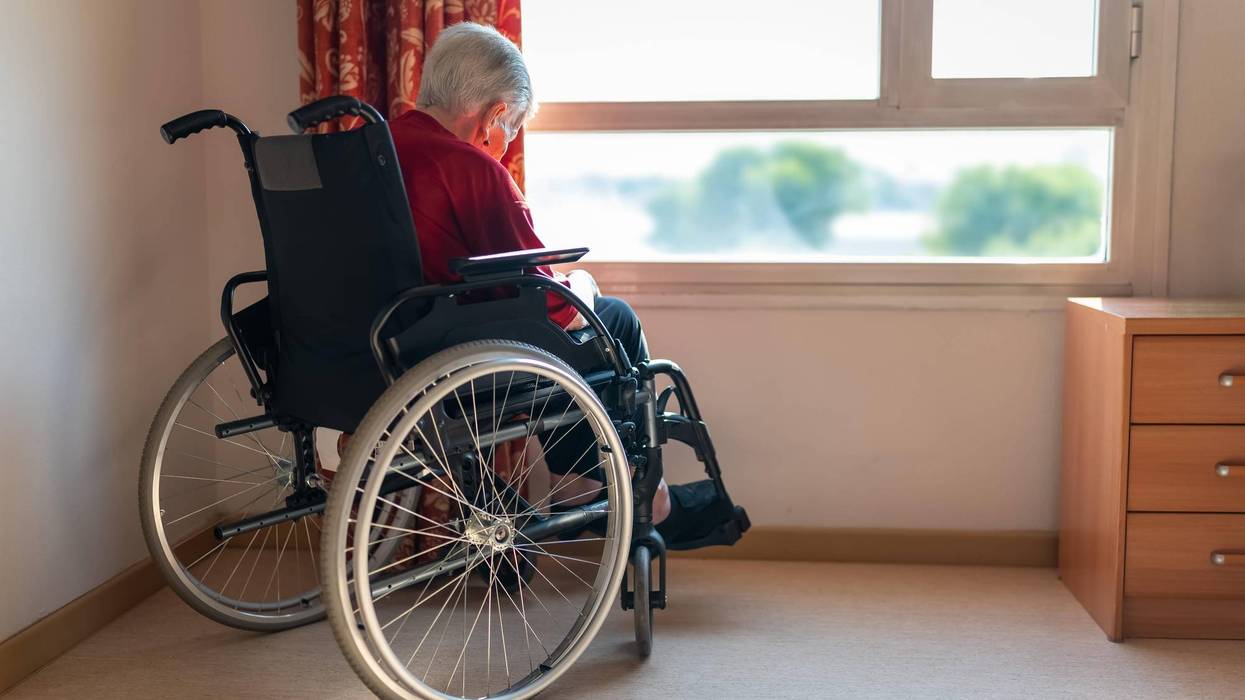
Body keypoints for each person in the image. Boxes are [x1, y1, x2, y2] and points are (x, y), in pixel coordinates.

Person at [387, 22, 730, 546]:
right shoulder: (472, 168)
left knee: (573, 331)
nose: (505, 146)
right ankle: (611, 487)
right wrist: (582, 284)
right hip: (451, 355)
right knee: (607, 318)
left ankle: (595, 483)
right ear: (495, 115)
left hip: (375, 347)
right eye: (512, 128)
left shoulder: (370, 152)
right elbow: (555, 308)